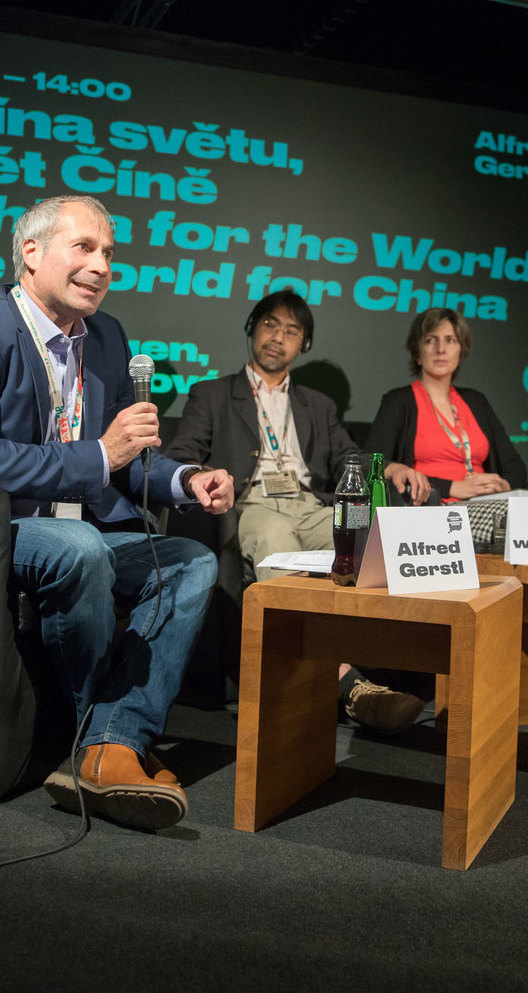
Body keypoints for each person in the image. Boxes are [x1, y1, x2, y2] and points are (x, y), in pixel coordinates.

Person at [0, 194, 235, 832]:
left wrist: (186, 480)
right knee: (80, 548)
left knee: (191, 562)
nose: (102, 266)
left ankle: (110, 742)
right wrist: (100, 454)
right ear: (31, 252)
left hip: (71, 521)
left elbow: (122, 460)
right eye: (85, 248)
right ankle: (100, 744)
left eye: (109, 253)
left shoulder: (107, 336)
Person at [166, 291, 425, 733]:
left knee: (373, 545)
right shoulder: (213, 394)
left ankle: (391, 666)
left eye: (291, 331)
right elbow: (181, 454)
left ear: (303, 344)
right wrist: (203, 473)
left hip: (313, 506)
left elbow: (349, 458)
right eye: (270, 324)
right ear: (252, 328)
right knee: (277, 547)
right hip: (254, 503)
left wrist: (390, 466)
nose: (278, 337)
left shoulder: (317, 405)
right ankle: (349, 687)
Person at [364, 308, 527, 506]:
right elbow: (373, 464)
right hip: (432, 504)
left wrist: (503, 485)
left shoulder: (476, 401)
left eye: (450, 340)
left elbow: (515, 466)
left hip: (486, 502)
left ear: (460, 351)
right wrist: (451, 487)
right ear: (417, 353)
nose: (440, 349)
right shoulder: (398, 401)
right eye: (430, 340)